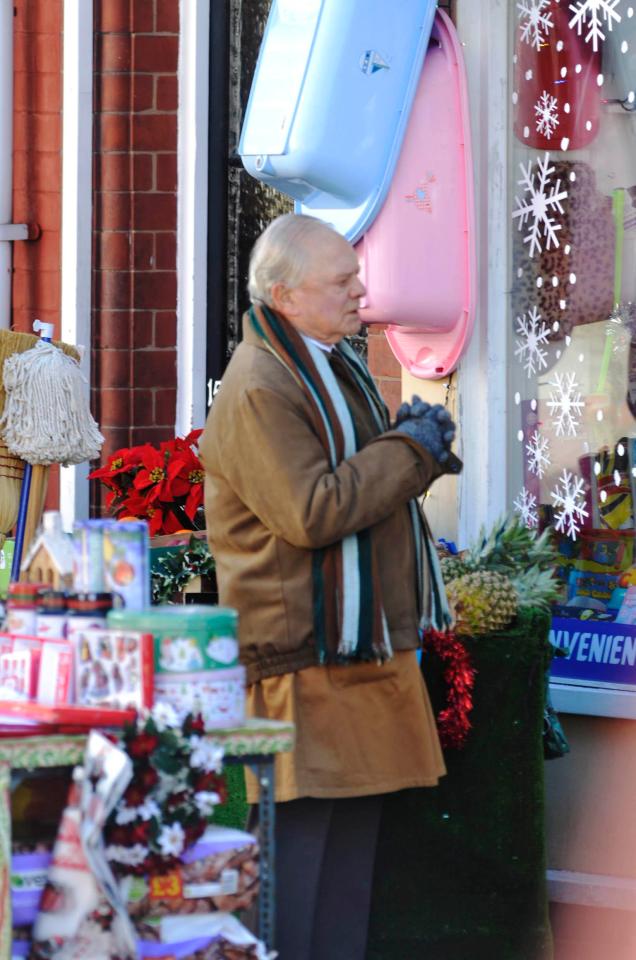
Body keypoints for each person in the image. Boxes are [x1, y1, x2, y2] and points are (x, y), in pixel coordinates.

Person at [199, 213, 460, 960]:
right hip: (300, 669)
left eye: (356, 274)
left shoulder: (329, 364)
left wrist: (403, 449)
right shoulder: (259, 383)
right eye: (342, 280)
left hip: (350, 662)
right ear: (284, 295)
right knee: (296, 887)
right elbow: (313, 511)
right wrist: (410, 449)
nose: (360, 291)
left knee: (345, 886)